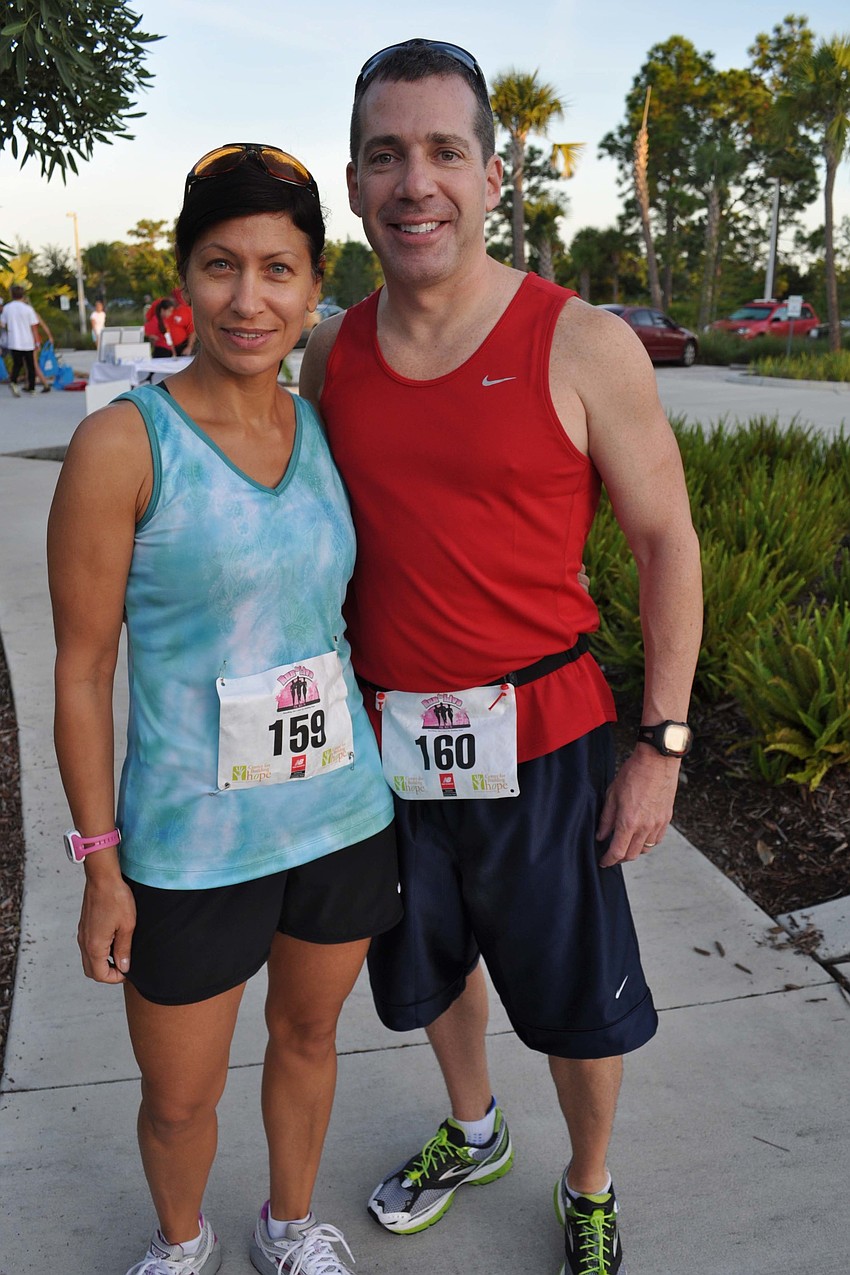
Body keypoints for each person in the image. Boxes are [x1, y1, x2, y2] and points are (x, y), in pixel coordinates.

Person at [300, 38, 703, 1275]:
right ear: (357, 183)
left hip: (550, 741)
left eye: (442, 152)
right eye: (386, 154)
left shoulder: (577, 342)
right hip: (387, 748)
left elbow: (665, 544)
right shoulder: (332, 353)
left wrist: (661, 746)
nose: (414, 181)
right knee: (432, 967)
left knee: (578, 1000)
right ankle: (473, 1129)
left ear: (489, 174)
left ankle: (586, 1181)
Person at [47, 142, 399, 1275]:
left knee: (307, 1039)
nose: (248, 300)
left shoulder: (328, 429)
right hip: (192, 846)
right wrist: (102, 863)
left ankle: (289, 1229)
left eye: (278, 270)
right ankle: (181, 1243)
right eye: (219, 266)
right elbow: (81, 668)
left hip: (338, 820)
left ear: (314, 282)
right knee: (178, 1096)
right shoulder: (122, 446)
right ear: (182, 278)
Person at [2, 283, 41, 394]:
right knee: (30, 365)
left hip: (14, 341)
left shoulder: (7, 308)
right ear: (22, 295)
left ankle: (13, 381)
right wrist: (37, 341)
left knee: (17, 364)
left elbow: (2, 324)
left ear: (12, 294)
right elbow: (34, 327)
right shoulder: (28, 309)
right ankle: (32, 388)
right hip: (27, 341)